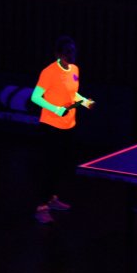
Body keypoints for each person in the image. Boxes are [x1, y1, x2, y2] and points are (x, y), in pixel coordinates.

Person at [30, 35, 95, 224]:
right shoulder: (49, 72)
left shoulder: (75, 69)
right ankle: (41, 208)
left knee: (60, 165)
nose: (71, 55)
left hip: (68, 126)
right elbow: (35, 97)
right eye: (67, 52)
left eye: (73, 51)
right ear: (58, 54)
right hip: (51, 127)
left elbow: (71, 93)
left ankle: (52, 199)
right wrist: (56, 109)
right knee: (49, 166)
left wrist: (84, 101)